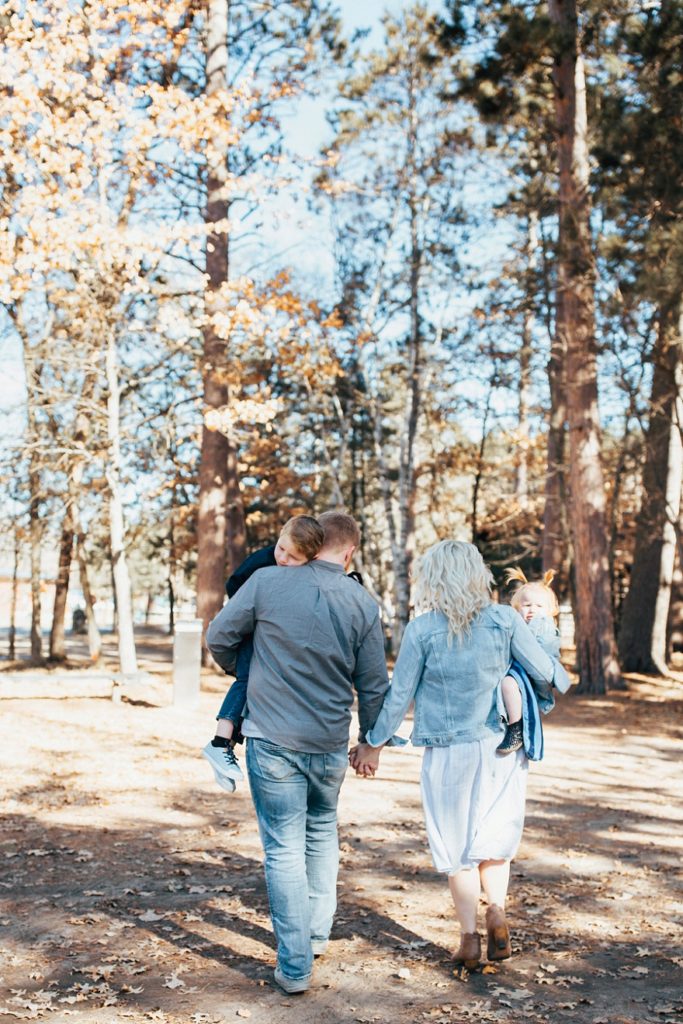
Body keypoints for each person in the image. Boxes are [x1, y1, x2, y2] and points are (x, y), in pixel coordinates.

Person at [349, 540, 570, 970]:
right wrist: (555, 671)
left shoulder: (422, 629)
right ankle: (498, 913)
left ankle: (469, 939)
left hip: (448, 752)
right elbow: (547, 673)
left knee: (457, 848)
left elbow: (399, 697)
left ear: (434, 579)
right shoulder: (505, 619)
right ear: (478, 576)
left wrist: (372, 743)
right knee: (495, 838)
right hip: (501, 747)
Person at [205, 511, 390, 994]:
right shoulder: (362, 604)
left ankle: (294, 966)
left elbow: (219, 638)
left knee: (284, 850)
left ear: (314, 543)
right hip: (329, 741)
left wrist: (249, 677)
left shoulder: (267, 582)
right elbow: (373, 686)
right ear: (349, 552)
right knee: (321, 833)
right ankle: (315, 936)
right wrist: (371, 741)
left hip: (272, 739)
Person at [202, 515, 325, 793]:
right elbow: (234, 585)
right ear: (279, 536)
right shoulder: (262, 562)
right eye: (281, 549)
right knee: (247, 680)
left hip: (269, 632)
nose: (283, 558)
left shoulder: (305, 574)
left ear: (311, 557)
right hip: (252, 627)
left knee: (254, 686)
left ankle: (227, 750)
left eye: (293, 557)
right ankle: (219, 743)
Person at [496, 568, 562, 755]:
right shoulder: (519, 624)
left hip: (533, 671)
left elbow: (539, 652)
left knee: (508, 684)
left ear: (550, 610)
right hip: (519, 668)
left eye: (539, 606)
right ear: (517, 608)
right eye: (527, 605)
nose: (532, 610)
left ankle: (515, 728)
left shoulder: (544, 626)